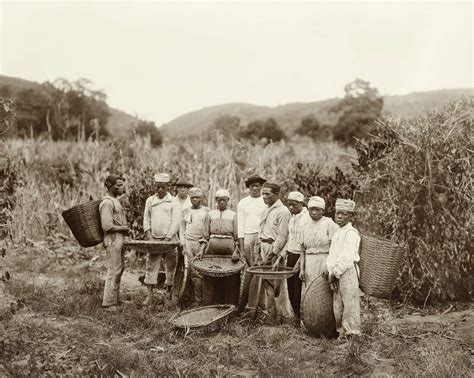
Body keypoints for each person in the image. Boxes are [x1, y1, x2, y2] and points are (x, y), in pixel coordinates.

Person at [250, 182, 292, 321]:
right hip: (264, 247)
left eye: (267, 193)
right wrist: (258, 248)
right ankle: (271, 315)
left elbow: (282, 236)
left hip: (274, 251)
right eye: (263, 194)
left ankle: (282, 317)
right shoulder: (267, 209)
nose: (264, 196)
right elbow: (261, 230)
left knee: (277, 285)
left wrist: (273, 254)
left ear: (276, 194)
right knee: (267, 283)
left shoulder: (283, 211)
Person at [325, 198, 361, 347]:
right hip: (337, 271)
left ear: (350, 216)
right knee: (338, 304)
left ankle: (352, 335)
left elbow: (346, 257)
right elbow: (333, 254)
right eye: (337, 213)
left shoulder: (351, 233)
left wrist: (335, 272)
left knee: (350, 304)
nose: (339, 216)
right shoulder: (338, 231)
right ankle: (341, 334)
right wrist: (330, 270)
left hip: (347, 272)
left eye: (344, 214)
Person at [143, 173, 182, 305]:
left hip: (170, 240)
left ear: (167, 187)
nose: (160, 190)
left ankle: (168, 294)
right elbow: (146, 219)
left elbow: (176, 221)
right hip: (154, 239)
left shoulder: (173, 201)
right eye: (158, 187)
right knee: (151, 266)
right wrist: (149, 236)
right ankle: (149, 296)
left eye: (163, 187)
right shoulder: (150, 201)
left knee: (171, 267)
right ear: (155, 186)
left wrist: (168, 237)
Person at [197, 189, 240, 305]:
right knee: (210, 275)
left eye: (224, 200)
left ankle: (230, 306)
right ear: (216, 200)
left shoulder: (233, 215)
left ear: (228, 201)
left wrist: (236, 251)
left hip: (229, 250)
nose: (222, 202)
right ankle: (209, 305)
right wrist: (201, 250)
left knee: (230, 277)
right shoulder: (210, 214)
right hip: (212, 249)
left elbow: (237, 236)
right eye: (219, 200)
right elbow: (205, 235)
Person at [272, 191, 311, 318]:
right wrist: (281, 256)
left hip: (302, 257)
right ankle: (296, 319)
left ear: (301, 203)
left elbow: (305, 243)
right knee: (291, 288)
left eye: (293, 205)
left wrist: (301, 262)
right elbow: (290, 240)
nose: (290, 207)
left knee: (300, 291)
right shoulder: (292, 218)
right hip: (291, 256)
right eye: (289, 205)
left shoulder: (307, 218)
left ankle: (304, 320)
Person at [99, 174, 130, 311]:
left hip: (118, 239)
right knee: (113, 269)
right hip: (112, 239)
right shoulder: (107, 202)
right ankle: (108, 303)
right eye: (118, 185)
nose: (121, 188)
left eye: (122, 185)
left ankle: (115, 299)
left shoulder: (114, 201)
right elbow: (106, 226)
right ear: (109, 186)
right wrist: (124, 228)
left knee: (119, 268)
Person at [237, 174, 267, 310]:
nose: (255, 188)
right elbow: (240, 227)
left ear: (261, 187)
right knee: (249, 271)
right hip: (248, 238)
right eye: (252, 186)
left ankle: (261, 305)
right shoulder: (243, 203)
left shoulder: (266, 201)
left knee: (261, 270)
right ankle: (245, 304)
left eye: (257, 186)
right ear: (248, 188)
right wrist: (242, 248)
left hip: (262, 238)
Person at [297, 196, 338, 293]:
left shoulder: (329, 224)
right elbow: (302, 249)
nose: (314, 212)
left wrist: (328, 266)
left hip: (324, 261)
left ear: (323, 211)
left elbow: (334, 247)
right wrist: (302, 269)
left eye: (317, 210)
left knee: (322, 292)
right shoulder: (304, 225)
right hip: (309, 263)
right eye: (311, 209)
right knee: (309, 292)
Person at [180, 187, 209, 305]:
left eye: (197, 197)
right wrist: (184, 247)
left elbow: (208, 231)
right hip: (189, 243)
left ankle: (203, 300)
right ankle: (193, 299)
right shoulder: (185, 211)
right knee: (191, 272)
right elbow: (182, 230)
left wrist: (203, 246)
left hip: (202, 244)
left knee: (201, 272)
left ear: (201, 198)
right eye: (192, 198)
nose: (195, 200)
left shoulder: (207, 211)